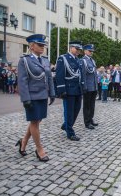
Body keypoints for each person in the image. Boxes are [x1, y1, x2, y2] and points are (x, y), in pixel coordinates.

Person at [16, 34, 55, 162]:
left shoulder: (44, 60)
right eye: (40, 45)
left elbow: (49, 77)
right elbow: (22, 81)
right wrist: (25, 99)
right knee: (34, 122)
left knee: (36, 121)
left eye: (43, 45)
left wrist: (52, 93)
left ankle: (23, 142)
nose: (43, 47)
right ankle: (39, 149)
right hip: (32, 96)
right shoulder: (25, 60)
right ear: (31, 46)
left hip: (43, 95)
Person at [55, 41, 84, 141]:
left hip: (77, 89)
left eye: (79, 50)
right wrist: (61, 90)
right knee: (69, 112)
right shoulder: (63, 58)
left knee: (77, 109)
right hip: (68, 89)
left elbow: (80, 74)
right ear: (71, 48)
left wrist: (83, 86)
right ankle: (70, 133)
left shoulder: (78, 60)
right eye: (77, 49)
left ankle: (66, 125)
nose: (78, 51)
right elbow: (59, 75)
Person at [81, 44, 98, 130]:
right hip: (87, 87)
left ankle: (91, 119)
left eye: (92, 51)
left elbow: (94, 74)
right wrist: (84, 86)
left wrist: (96, 86)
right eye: (89, 51)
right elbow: (83, 74)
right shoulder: (83, 61)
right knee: (86, 105)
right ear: (85, 51)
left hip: (93, 86)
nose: (91, 52)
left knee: (92, 105)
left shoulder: (93, 61)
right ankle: (87, 122)